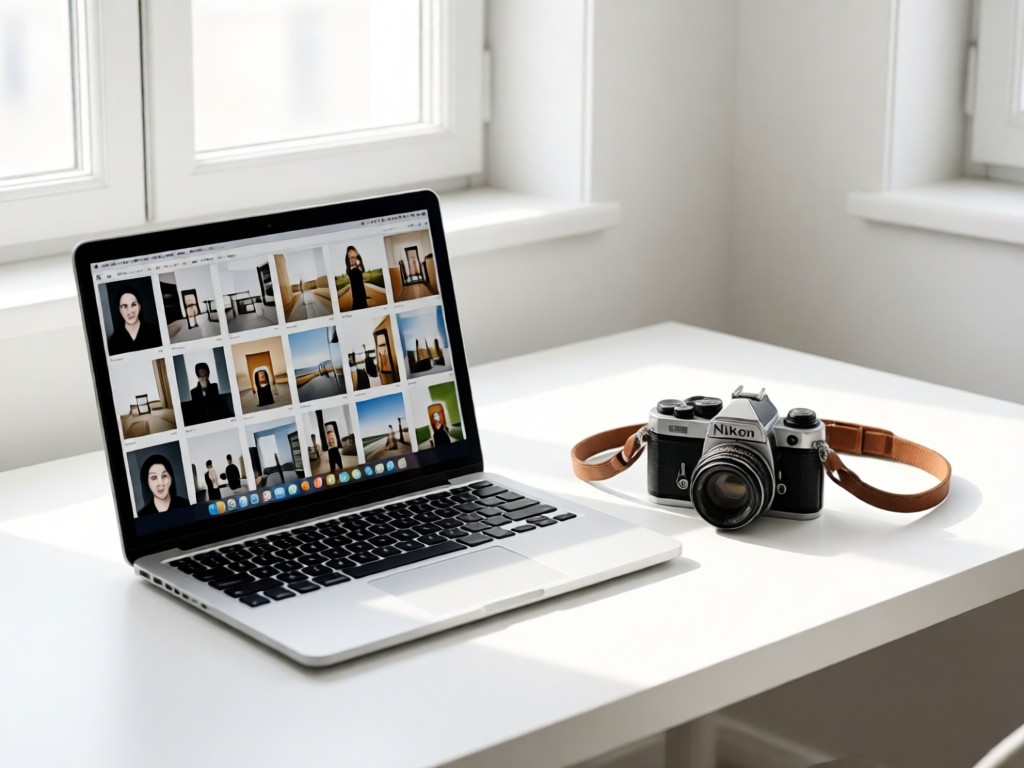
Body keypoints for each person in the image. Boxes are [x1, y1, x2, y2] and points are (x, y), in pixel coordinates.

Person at [107, 289, 162, 355]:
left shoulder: (154, 332)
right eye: (124, 306)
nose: (130, 311)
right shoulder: (114, 340)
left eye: (133, 305)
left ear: (140, 306)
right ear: (119, 310)